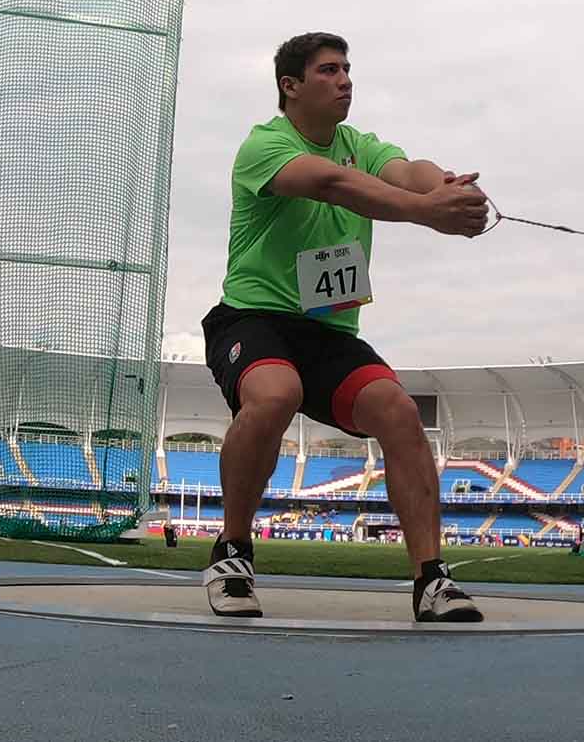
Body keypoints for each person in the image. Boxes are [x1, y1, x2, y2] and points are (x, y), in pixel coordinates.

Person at [200, 32, 489, 622]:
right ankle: (232, 551)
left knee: (399, 412)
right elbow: (337, 186)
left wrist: (447, 189)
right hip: (254, 319)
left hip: (329, 336)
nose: (345, 79)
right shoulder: (266, 145)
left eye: (347, 69)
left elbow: (408, 170)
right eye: (329, 70)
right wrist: (427, 215)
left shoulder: (361, 144)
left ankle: (430, 580)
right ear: (291, 86)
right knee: (277, 392)